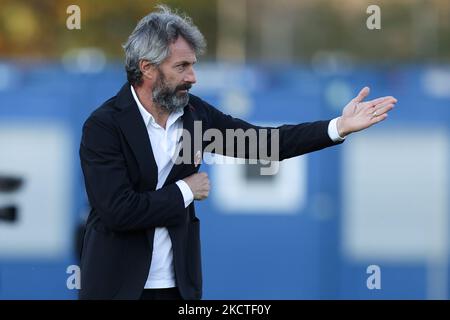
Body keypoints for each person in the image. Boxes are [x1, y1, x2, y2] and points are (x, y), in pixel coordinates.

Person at [78, 5, 396, 300]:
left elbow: (264, 143)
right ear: (147, 68)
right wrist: (186, 190)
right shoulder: (104, 127)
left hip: (180, 288)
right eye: (182, 66)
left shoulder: (195, 116)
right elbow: (118, 211)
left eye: (193, 65)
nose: (192, 77)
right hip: (115, 289)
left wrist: (337, 126)